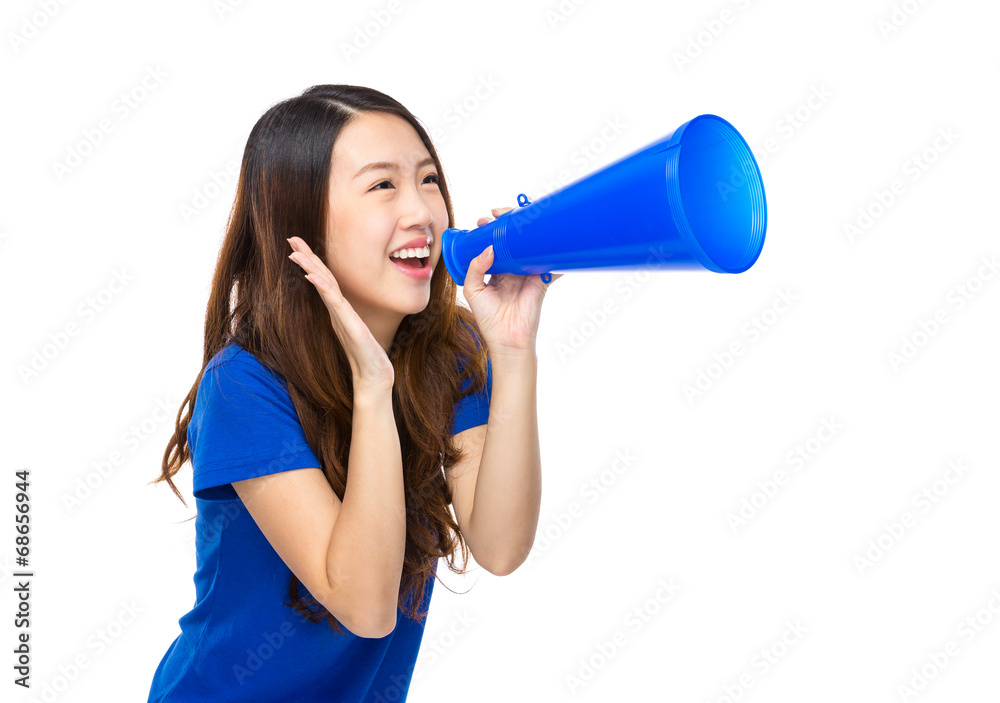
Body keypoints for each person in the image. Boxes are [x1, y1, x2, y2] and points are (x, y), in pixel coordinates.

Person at [146, 84, 561, 701]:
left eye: (428, 179)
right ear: (303, 224)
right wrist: (373, 389)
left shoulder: (451, 355)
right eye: (382, 186)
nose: (422, 211)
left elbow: (499, 546)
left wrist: (513, 348)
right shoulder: (244, 385)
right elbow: (364, 608)